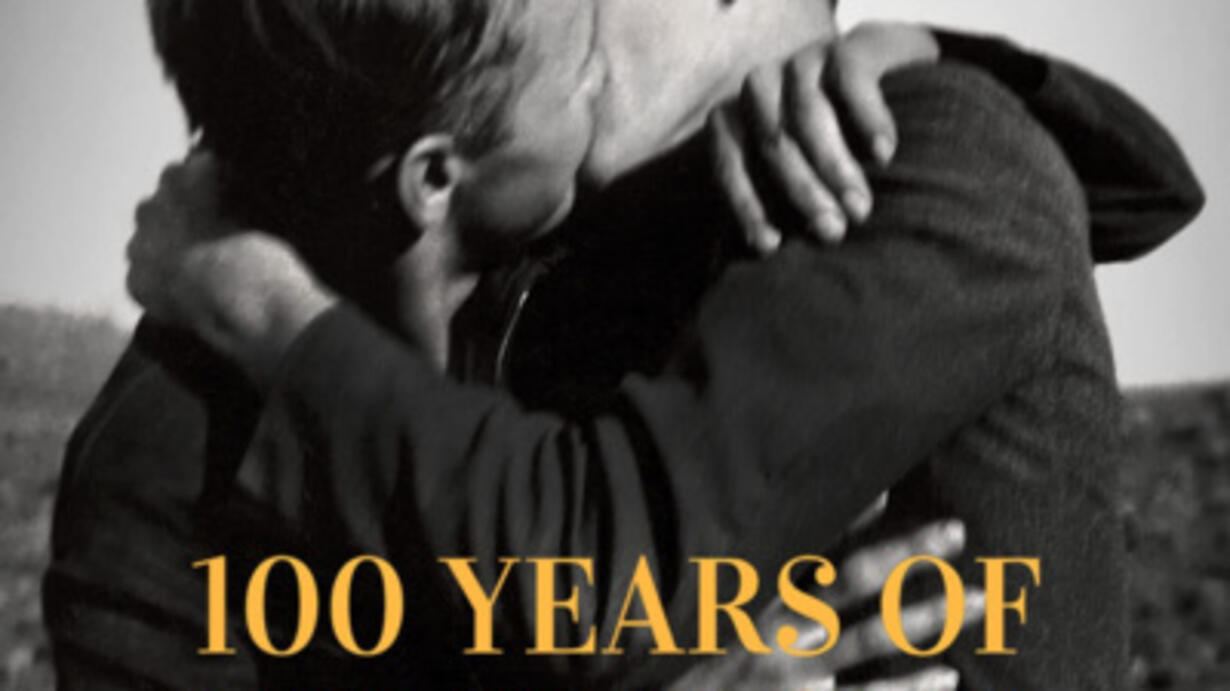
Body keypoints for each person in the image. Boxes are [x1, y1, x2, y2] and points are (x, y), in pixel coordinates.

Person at [56, 0, 1205, 689]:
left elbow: (596, 568)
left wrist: (934, 57)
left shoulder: (913, 152)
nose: (577, 33)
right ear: (435, 173)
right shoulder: (166, 445)